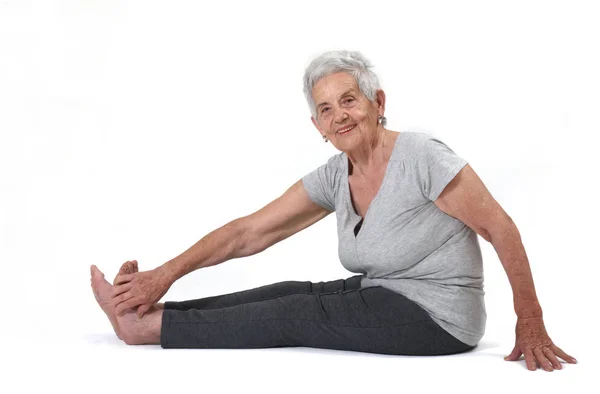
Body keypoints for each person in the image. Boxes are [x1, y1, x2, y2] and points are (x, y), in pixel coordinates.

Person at [90, 50, 577, 370]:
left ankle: (145, 331)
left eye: (349, 99)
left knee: (299, 312)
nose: (339, 114)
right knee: (291, 291)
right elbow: (249, 232)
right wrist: (164, 275)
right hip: (383, 292)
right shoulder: (334, 174)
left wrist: (529, 319)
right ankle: (153, 313)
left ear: (377, 102)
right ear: (317, 125)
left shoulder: (422, 156)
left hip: (438, 318)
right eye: (326, 109)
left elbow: (501, 228)